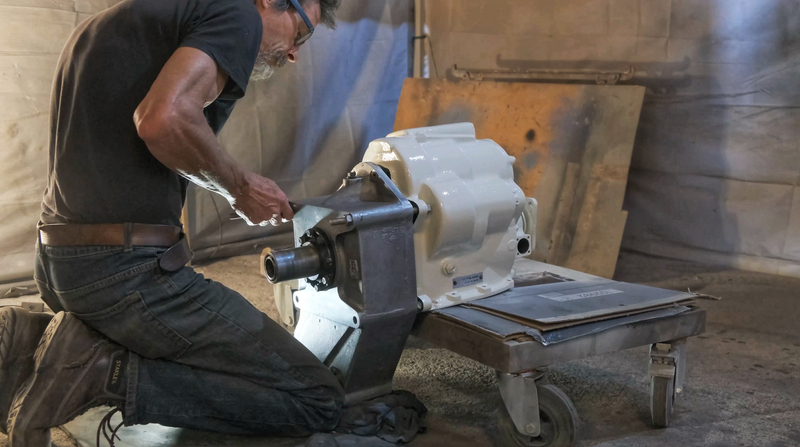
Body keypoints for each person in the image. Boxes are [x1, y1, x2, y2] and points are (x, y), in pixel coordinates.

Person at [0, 0, 346, 445]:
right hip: (123, 277)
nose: (294, 53)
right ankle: (103, 374)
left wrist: (234, 193)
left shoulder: (119, 18)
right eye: (300, 33)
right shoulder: (237, 14)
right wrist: (241, 186)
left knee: (216, 365)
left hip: (57, 264)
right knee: (317, 397)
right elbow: (163, 119)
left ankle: (29, 345)